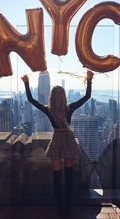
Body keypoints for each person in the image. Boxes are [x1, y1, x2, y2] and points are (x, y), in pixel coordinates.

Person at [21, 70, 94, 216]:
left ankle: (59, 208)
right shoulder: (70, 108)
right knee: (68, 175)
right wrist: (89, 79)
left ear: (52, 98)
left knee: (56, 176)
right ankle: (68, 206)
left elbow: (31, 100)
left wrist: (26, 82)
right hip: (68, 139)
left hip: (57, 140)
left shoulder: (49, 110)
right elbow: (87, 96)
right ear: (64, 97)